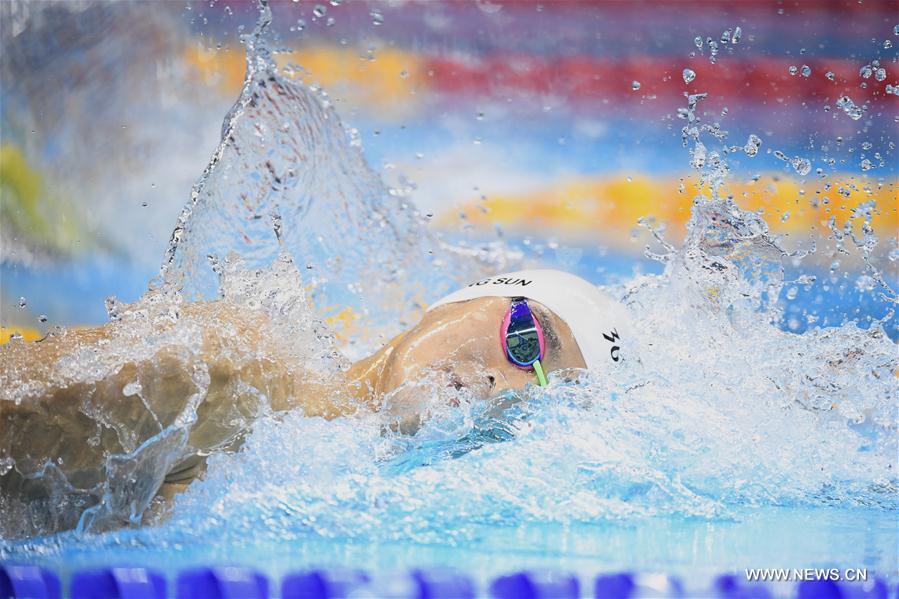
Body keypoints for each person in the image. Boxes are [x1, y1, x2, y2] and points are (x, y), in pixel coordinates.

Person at [0, 269, 631, 535]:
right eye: (525, 341)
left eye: (540, 401)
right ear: (459, 300)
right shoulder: (234, 376)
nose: (504, 387)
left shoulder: (317, 479)